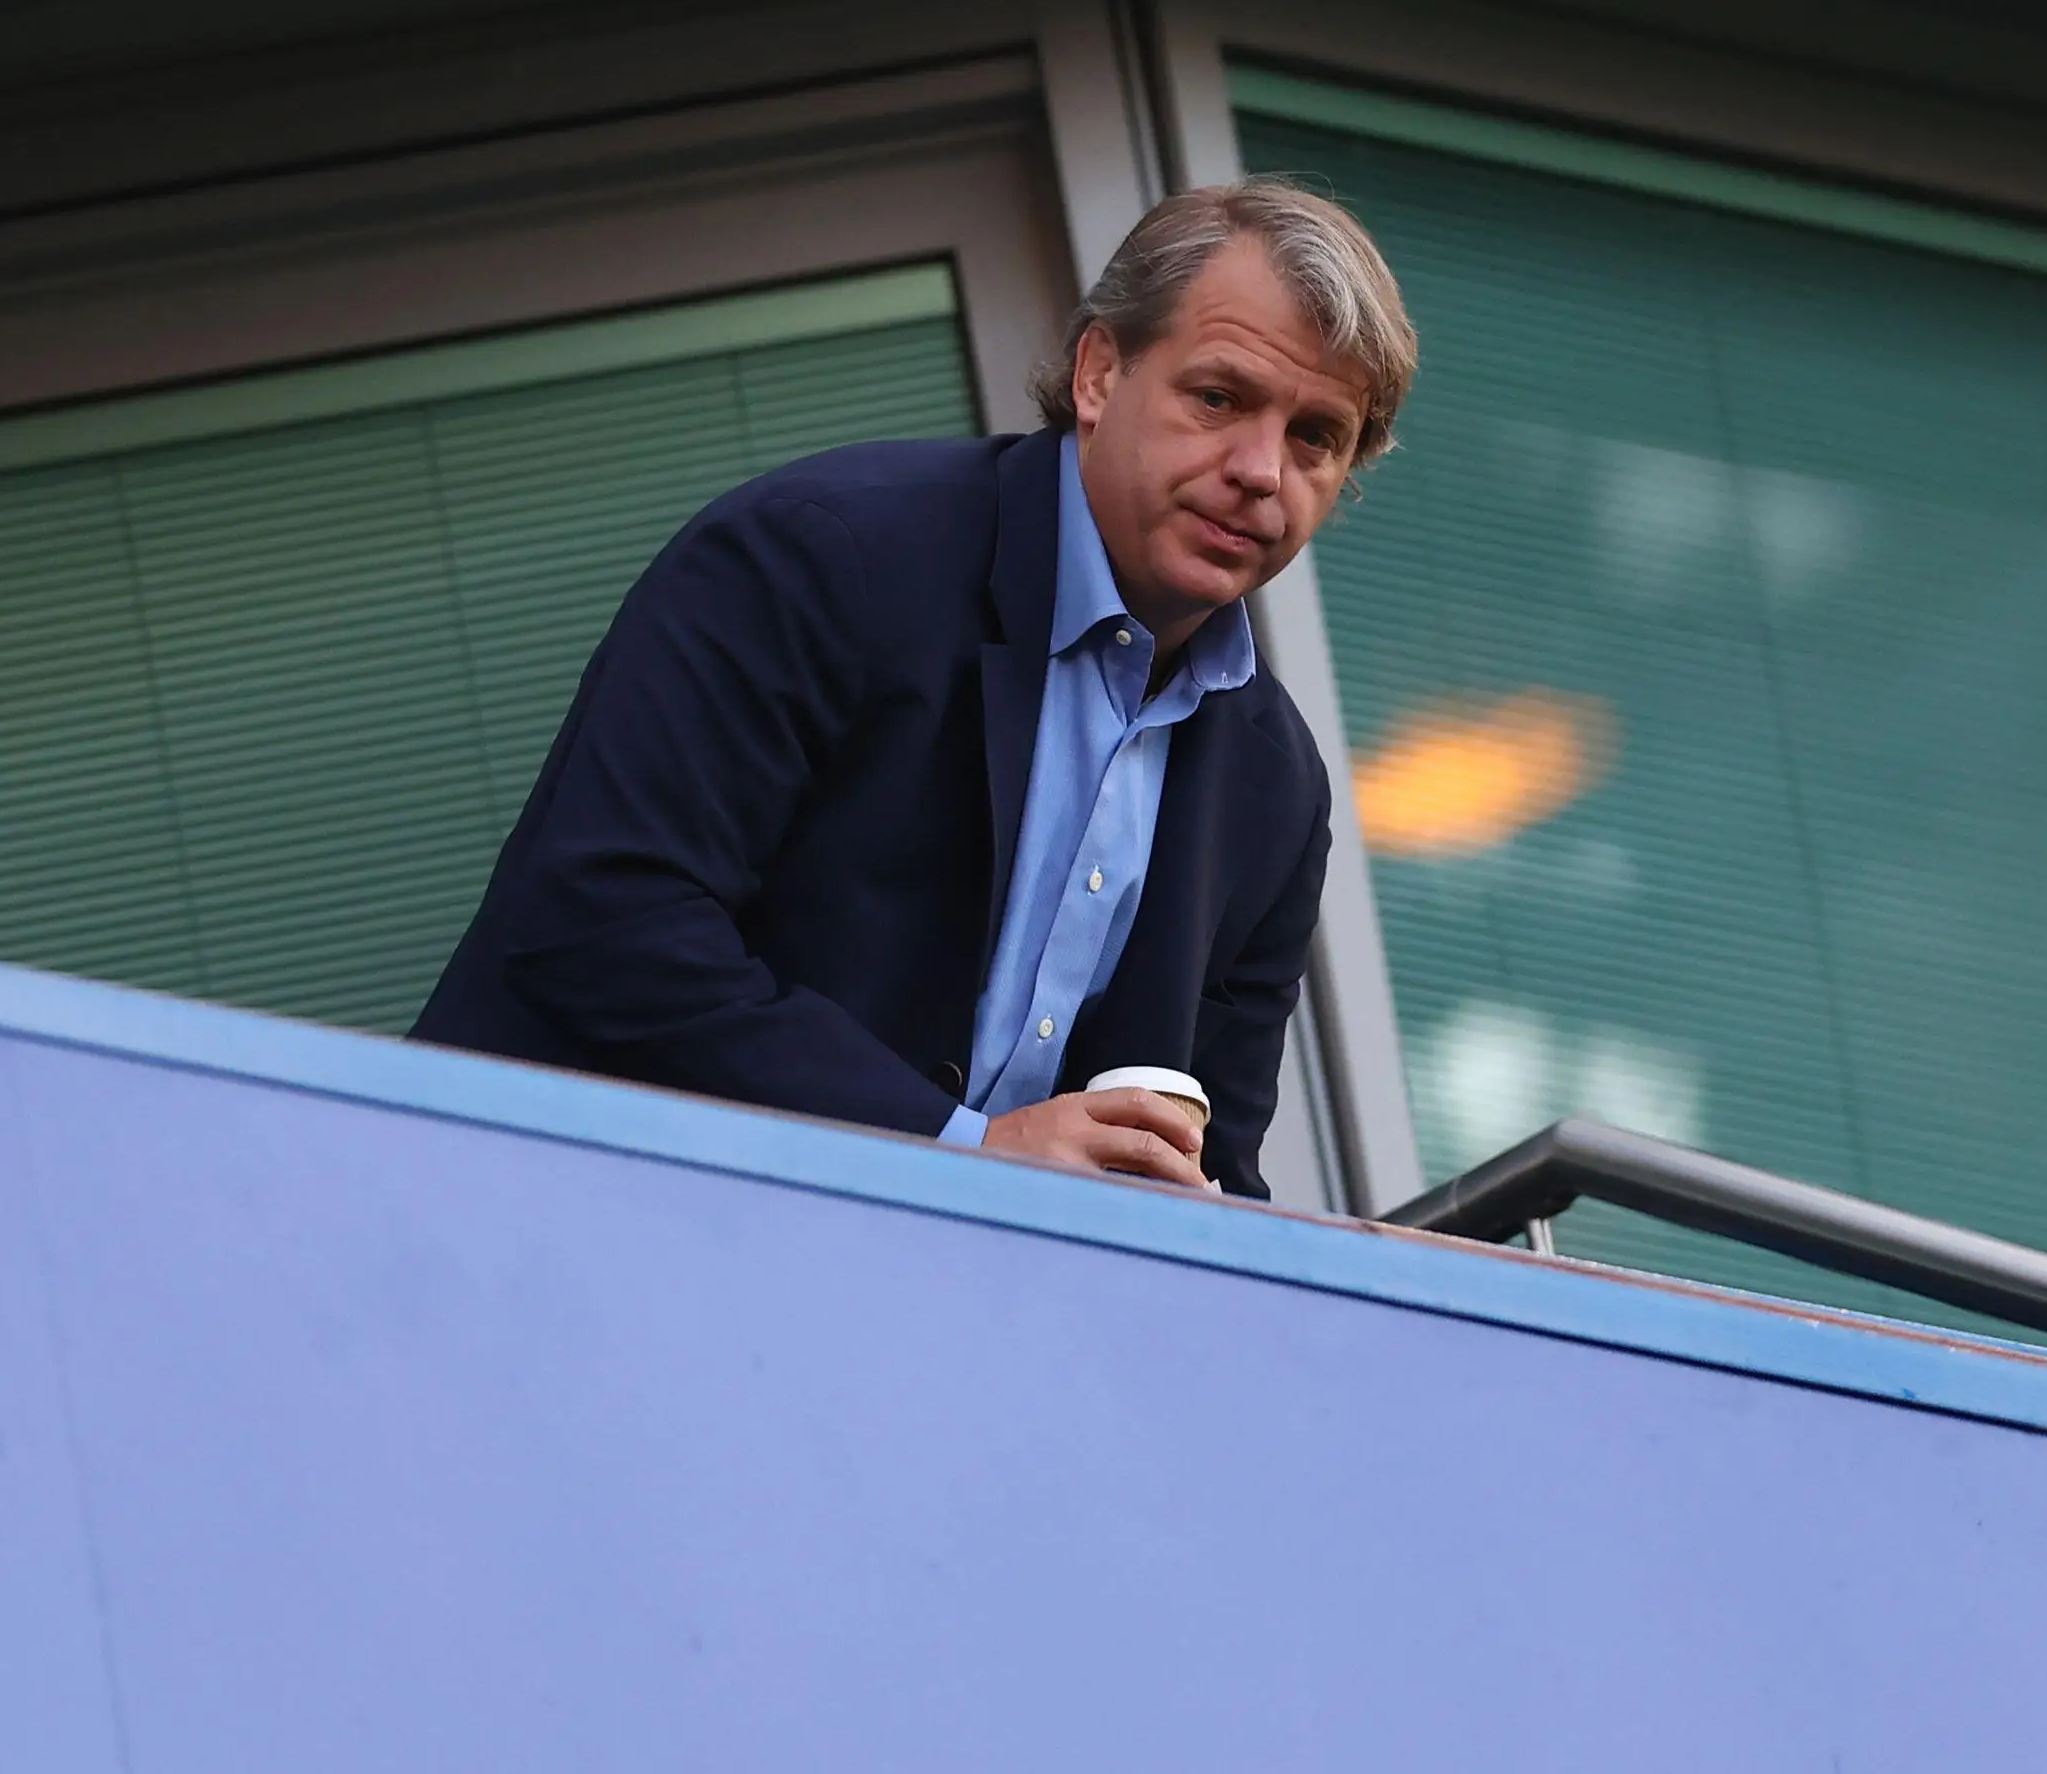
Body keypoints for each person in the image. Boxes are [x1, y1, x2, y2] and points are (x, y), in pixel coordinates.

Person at [412, 178, 1416, 1197]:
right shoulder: (823, 557)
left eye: (1313, 437)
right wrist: (963, 1151)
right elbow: (599, 922)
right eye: (1219, 398)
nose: (1259, 469)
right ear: (1100, 373)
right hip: (538, 1242)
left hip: (894, 1331)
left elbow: (1213, 1166)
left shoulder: (1275, 789)